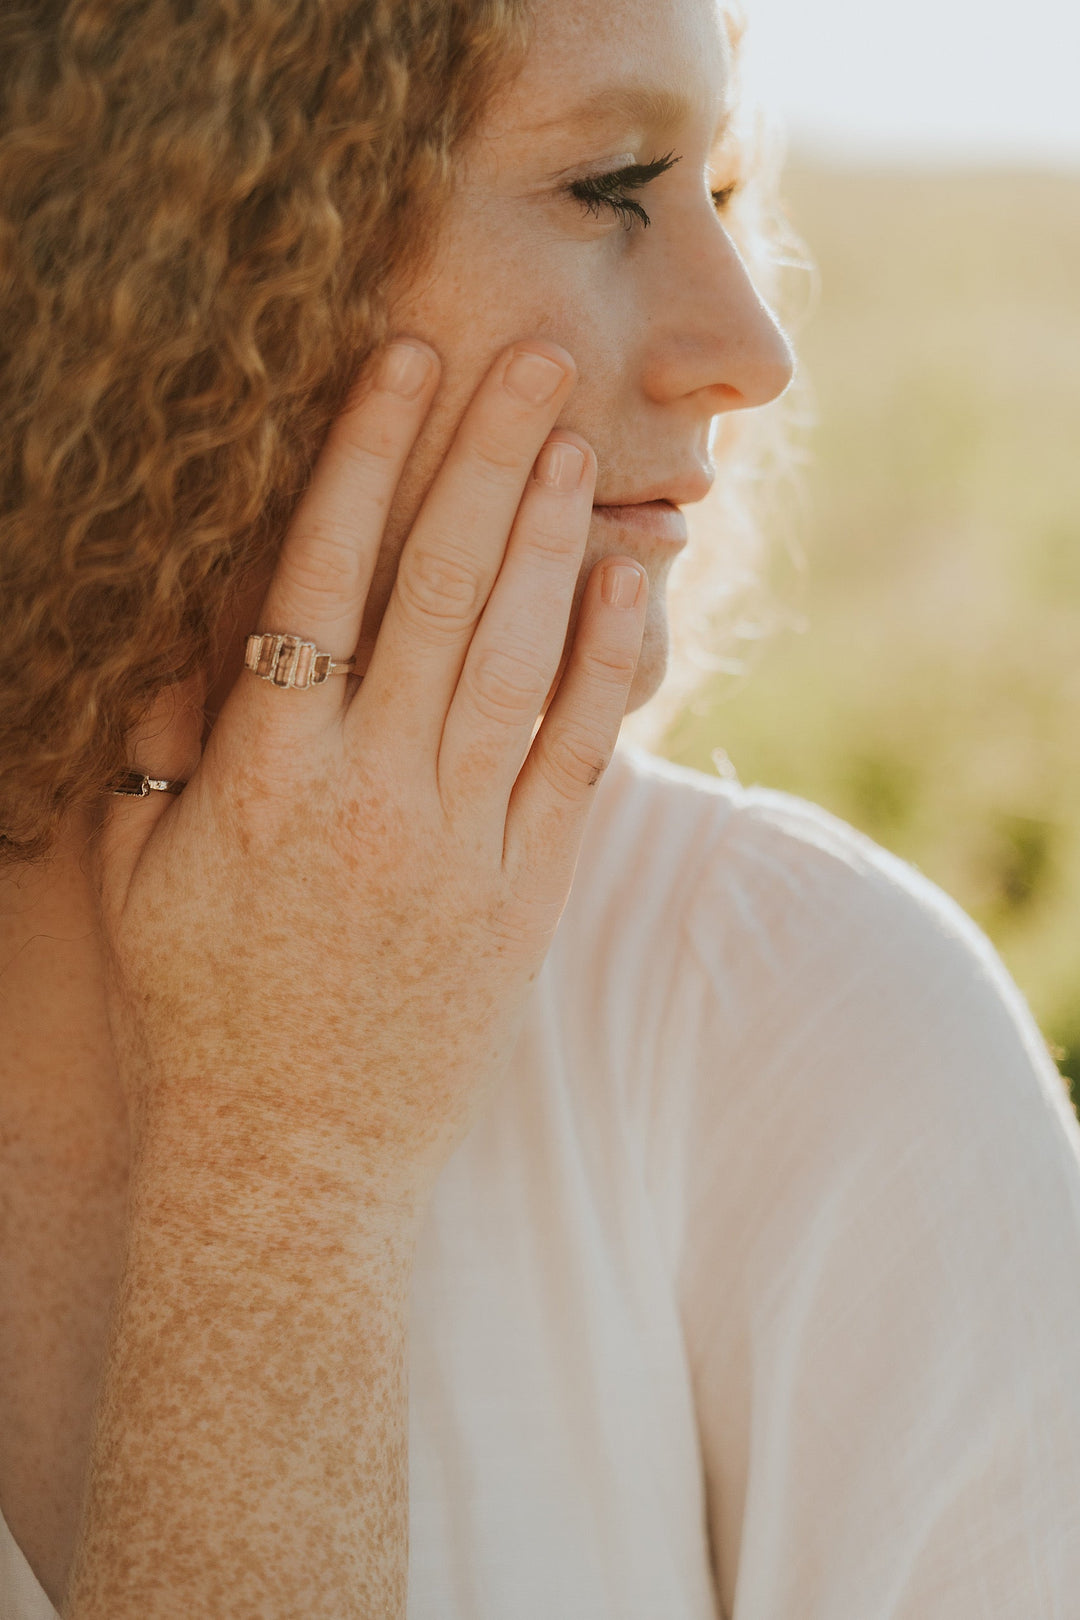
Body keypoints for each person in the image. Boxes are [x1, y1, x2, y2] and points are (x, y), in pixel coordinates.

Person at [2, 0, 1079, 1615]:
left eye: (717, 190)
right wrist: (283, 1161)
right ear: (157, 250)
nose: (755, 352)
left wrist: (292, 1170)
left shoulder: (799, 1017)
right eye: (613, 183)